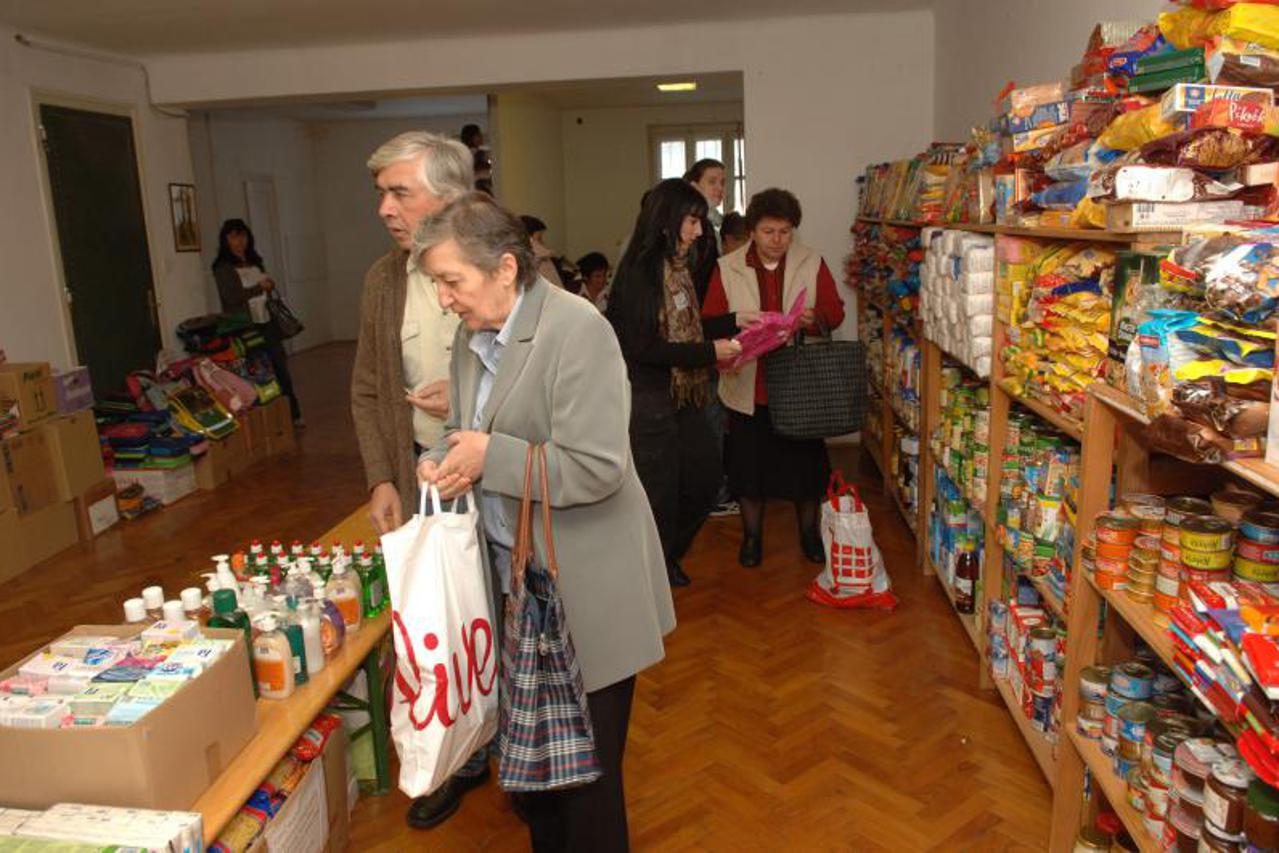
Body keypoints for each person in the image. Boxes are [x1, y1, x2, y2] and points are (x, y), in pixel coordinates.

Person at [415, 192, 675, 852]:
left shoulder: (576, 327)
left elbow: (595, 468)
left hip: (585, 588)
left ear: (505, 269)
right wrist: (443, 458)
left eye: (452, 281)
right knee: (538, 782)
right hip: (517, 586)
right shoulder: (470, 332)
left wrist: (486, 456)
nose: (445, 298)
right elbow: (461, 429)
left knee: (585, 785)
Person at [347, 130, 492, 830]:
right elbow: (370, 388)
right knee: (438, 624)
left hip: (500, 485)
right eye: (381, 192)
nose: (383, 207)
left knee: (509, 617)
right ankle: (456, 756)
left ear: (449, 196)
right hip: (419, 482)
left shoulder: (511, 264)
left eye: (398, 190)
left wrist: (465, 401)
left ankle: (518, 748)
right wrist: (382, 476)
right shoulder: (382, 279)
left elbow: (542, 385)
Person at [701, 188, 846, 568]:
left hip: (799, 385)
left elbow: (835, 310)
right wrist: (740, 327)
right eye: (769, 232)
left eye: (785, 232)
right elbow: (710, 319)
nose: (778, 241)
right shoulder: (727, 265)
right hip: (749, 381)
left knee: (806, 470)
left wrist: (814, 318)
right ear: (753, 230)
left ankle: (810, 536)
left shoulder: (811, 261)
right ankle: (751, 539)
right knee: (748, 470)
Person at [607, 179, 741, 588]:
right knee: (658, 494)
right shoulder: (640, 274)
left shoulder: (680, 270)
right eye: (693, 221)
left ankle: (667, 555)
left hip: (684, 394)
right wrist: (709, 352)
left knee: (703, 480)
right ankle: (654, 568)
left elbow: (689, 328)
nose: (700, 232)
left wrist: (738, 321)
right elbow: (645, 347)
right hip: (649, 401)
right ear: (668, 221)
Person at [212, 218, 304, 426]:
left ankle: (292, 413)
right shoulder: (222, 267)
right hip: (244, 325)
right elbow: (231, 297)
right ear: (226, 240)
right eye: (234, 237)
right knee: (254, 372)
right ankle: (265, 420)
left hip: (266, 320)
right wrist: (259, 287)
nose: (239, 241)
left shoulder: (254, 260)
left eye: (242, 236)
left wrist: (268, 286)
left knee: (280, 367)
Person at [682, 159, 724, 304]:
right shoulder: (698, 225)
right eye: (712, 182)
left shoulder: (712, 223)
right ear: (694, 187)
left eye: (722, 183)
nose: (719, 188)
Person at [518, 215, 567, 288]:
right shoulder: (530, 245)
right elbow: (547, 253)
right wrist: (541, 242)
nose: (541, 238)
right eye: (540, 235)